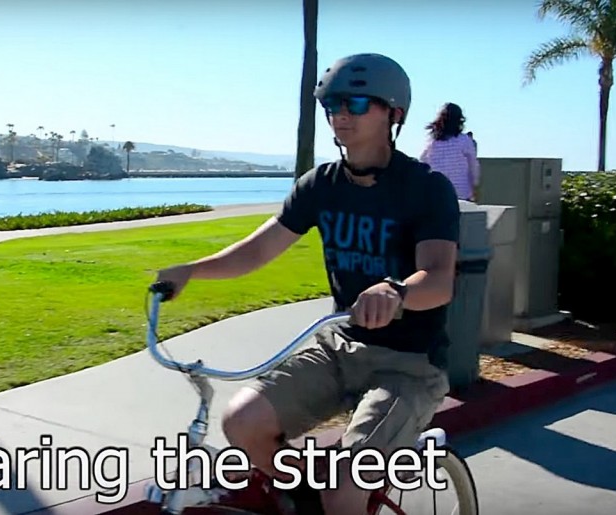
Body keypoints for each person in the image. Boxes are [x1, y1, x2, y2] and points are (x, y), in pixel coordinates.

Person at [154, 53, 460, 515]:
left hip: (409, 365)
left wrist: (396, 292)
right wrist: (192, 269)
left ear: (393, 113)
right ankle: (306, 500)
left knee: (346, 486)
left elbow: (438, 278)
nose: (340, 115)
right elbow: (257, 251)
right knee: (242, 421)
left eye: (356, 103)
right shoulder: (320, 185)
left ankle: (337, 497)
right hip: (340, 348)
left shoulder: (426, 188)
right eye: (333, 104)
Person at [420, 103, 480, 201]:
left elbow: (423, 164)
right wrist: (475, 186)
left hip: (436, 195)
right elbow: (473, 167)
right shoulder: (464, 140)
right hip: (461, 194)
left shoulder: (431, 142)